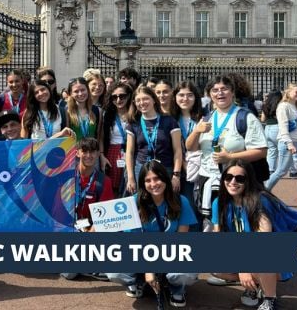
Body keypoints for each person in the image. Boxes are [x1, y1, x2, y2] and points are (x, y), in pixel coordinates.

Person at [106, 160, 197, 308]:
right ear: (143, 184)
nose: (153, 184)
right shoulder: (134, 202)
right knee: (113, 270)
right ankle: (139, 281)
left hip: (171, 252)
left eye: (157, 178)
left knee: (183, 272)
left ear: (165, 179)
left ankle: (177, 288)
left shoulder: (181, 201)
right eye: (148, 180)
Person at [185, 75, 268, 231]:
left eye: (224, 89)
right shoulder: (207, 117)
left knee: (238, 221)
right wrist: (196, 131)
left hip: (235, 181)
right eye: (215, 90)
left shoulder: (245, 117)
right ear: (209, 94)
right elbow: (190, 146)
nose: (220, 93)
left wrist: (230, 157)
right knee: (212, 223)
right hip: (209, 179)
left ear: (232, 92)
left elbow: (261, 151)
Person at [210, 160, 285, 310]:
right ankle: (254, 286)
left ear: (248, 181)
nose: (233, 182)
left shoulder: (260, 200)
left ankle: (270, 299)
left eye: (240, 178)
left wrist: (244, 268)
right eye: (228, 177)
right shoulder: (219, 202)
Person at [61, 137, 114, 281]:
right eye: (84, 151)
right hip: (69, 228)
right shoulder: (66, 177)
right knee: (69, 274)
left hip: (91, 229)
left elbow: (104, 217)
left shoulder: (104, 181)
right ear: (77, 153)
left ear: (98, 154)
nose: (89, 156)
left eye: (92, 152)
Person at [264, 83, 297, 210]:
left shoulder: (296, 107)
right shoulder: (283, 106)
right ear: (288, 92)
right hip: (287, 142)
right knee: (281, 170)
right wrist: (289, 143)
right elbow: (283, 127)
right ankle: (263, 191)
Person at [125, 85, 182, 194]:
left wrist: (176, 175)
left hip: (165, 168)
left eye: (146, 99)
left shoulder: (170, 121)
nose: (142, 103)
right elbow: (129, 152)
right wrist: (131, 177)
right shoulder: (134, 124)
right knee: (143, 203)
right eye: (138, 100)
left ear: (154, 100)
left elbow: (177, 151)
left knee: (167, 202)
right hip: (141, 169)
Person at [175, 81, 204, 227]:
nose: (185, 99)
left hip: (200, 169)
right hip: (180, 169)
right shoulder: (172, 118)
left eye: (189, 95)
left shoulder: (204, 117)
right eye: (181, 95)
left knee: (197, 206)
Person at [99, 82, 135, 196]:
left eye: (122, 96)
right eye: (114, 97)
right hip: (113, 153)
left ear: (129, 96)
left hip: (132, 152)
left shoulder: (135, 114)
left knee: (130, 187)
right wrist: (101, 154)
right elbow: (101, 137)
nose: (118, 100)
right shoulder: (107, 115)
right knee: (114, 187)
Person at [261, 90, 282, 174]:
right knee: (283, 150)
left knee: (271, 150)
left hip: (267, 128)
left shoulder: (265, 105)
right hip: (277, 127)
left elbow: (262, 119)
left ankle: (270, 169)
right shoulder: (280, 105)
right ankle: (292, 170)